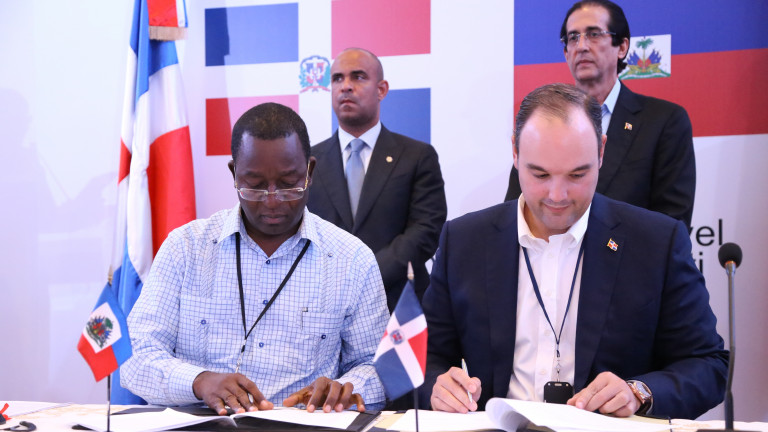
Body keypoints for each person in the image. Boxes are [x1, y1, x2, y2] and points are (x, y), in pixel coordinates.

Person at [423, 83, 726, 420]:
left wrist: (638, 392)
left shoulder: (656, 242)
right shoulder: (464, 241)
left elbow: (708, 365)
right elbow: (424, 358)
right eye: (540, 174)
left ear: (601, 151)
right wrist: (437, 386)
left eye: (577, 174)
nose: (557, 195)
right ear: (515, 153)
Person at [121, 103, 389, 415]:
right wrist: (199, 381)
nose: (272, 200)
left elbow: (379, 367)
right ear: (234, 174)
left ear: (310, 172)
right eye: (255, 186)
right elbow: (135, 356)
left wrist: (344, 388)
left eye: (288, 184)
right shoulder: (185, 248)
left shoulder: (352, 259)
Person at [504, 0, 696, 229]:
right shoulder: (541, 120)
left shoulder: (663, 121)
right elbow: (514, 212)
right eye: (573, 38)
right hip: (545, 250)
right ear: (566, 52)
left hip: (625, 250)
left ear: (622, 47)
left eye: (594, 34)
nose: (581, 46)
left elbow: (671, 226)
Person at [307, 47, 447, 311]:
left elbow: (426, 230)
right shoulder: (308, 161)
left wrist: (366, 276)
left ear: (381, 90)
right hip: (324, 306)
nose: (345, 86)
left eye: (358, 77)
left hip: (398, 306)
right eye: (337, 78)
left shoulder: (417, 156)